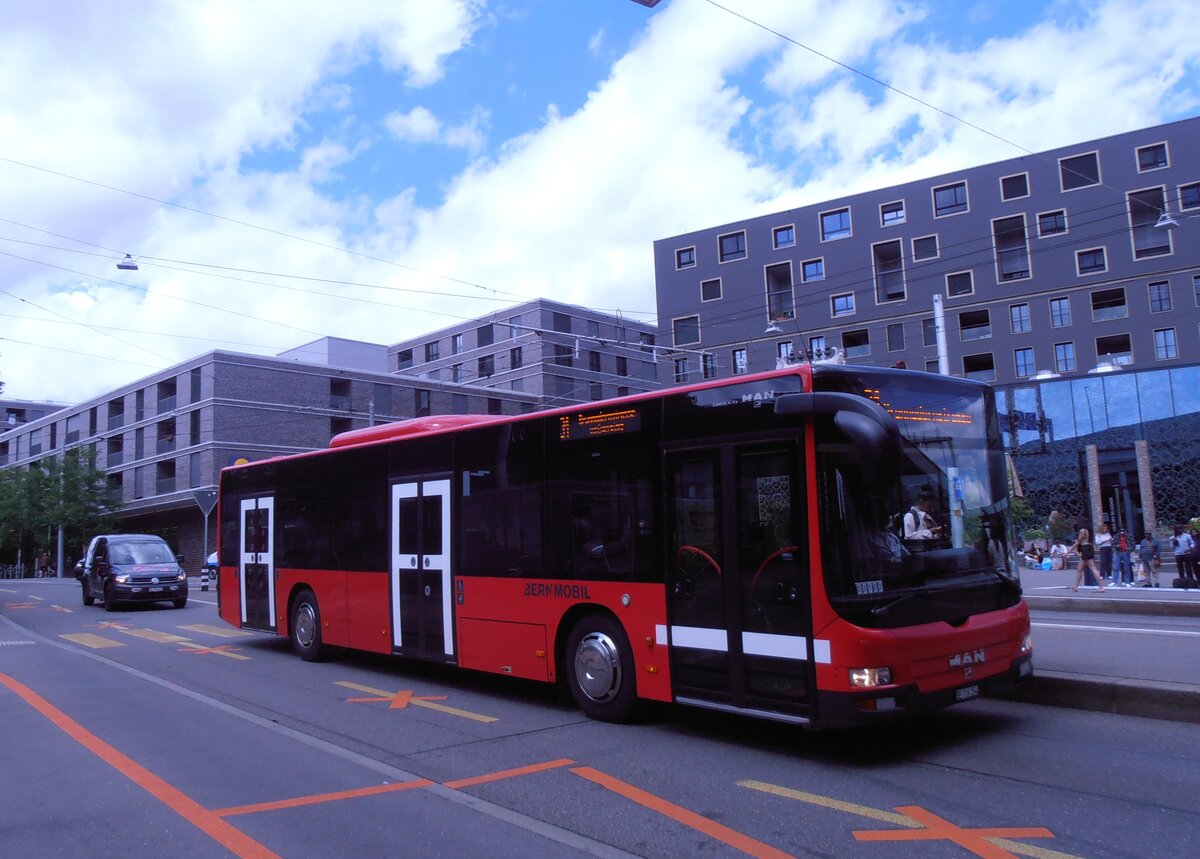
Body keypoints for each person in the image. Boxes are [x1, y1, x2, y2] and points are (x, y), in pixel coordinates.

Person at [1069, 527, 1105, 592]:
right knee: (1080, 568)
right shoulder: (1089, 530)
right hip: (1089, 547)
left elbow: (1078, 541)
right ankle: (1076, 586)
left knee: (1092, 568)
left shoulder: (1083, 530)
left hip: (1085, 548)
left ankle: (1101, 587)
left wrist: (1069, 550)